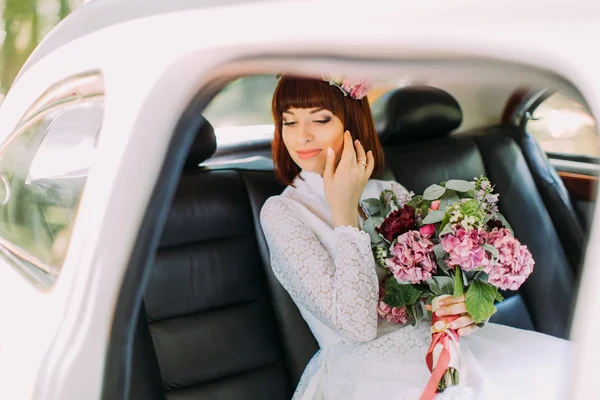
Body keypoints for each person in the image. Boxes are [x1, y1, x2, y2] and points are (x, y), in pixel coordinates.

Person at [259, 75, 572, 400]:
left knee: (560, 370)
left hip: (438, 345)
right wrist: (344, 214)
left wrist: (462, 307)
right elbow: (357, 328)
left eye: (320, 119)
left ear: (352, 121)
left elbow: (432, 285)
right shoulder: (283, 212)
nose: (302, 135)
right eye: (289, 121)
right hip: (366, 371)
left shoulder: (390, 193)